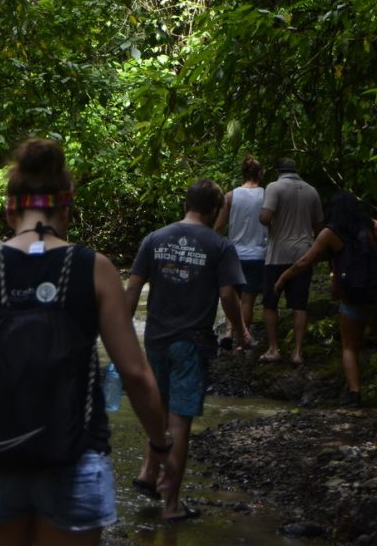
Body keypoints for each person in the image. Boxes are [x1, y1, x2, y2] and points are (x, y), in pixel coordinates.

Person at [0, 138, 173, 546]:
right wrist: (160, 446)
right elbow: (135, 373)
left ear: (10, 208)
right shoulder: (95, 269)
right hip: (75, 458)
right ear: (66, 207)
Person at [126, 179, 246, 521]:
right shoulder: (219, 245)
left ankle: (148, 473)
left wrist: (121, 334)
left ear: (185, 204)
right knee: (179, 422)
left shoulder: (154, 238)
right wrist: (239, 332)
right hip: (191, 342)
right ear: (213, 210)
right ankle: (172, 504)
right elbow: (227, 296)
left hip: (155, 339)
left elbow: (133, 288)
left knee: (159, 412)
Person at [274, 191, 377, 407]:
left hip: (352, 296)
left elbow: (305, 262)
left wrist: (283, 278)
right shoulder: (372, 225)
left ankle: (355, 394)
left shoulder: (330, 233)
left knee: (349, 346)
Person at [258, 157, 324, 365]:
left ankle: (274, 349)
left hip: (278, 253)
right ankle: (297, 352)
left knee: (270, 303)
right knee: (300, 305)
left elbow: (265, 218)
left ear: (278, 171)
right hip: (304, 252)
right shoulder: (312, 190)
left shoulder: (274, 187)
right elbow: (320, 226)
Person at [213, 155, 268, 350]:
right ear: (260, 174)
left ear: (242, 174)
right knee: (247, 300)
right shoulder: (267, 195)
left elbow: (219, 226)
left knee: (232, 297)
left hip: (234, 253)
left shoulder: (230, 196)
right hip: (258, 253)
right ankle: (240, 340)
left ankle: (229, 332)